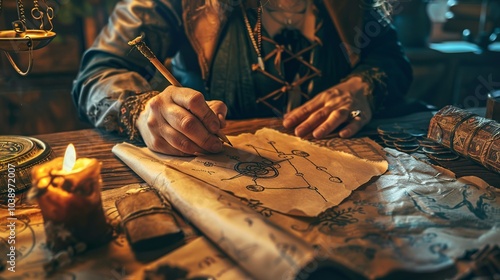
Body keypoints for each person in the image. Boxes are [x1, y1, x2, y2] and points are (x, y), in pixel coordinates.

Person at [72, 0, 413, 156]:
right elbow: (99, 73)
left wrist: (364, 86)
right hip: (223, 166)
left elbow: (391, 59)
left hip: (348, 164)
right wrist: (143, 108)